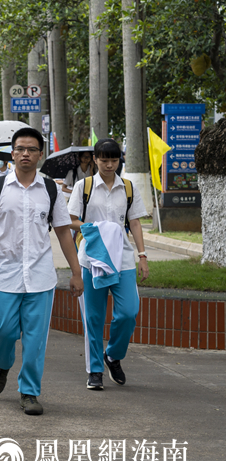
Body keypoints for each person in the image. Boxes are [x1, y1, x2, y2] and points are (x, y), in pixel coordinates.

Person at [0, 127, 83, 416]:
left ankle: (29, 391)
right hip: (4, 274)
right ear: (12, 152)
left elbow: (63, 232)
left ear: (40, 154)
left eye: (31, 149)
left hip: (40, 276)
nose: (25, 154)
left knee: (35, 339)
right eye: (20, 149)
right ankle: (3, 363)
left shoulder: (50, 189)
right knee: (3, 332)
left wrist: (76, 271)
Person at [67, 138, 148, 391]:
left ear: (119, 160)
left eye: (114, 159)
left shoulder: (129, 187)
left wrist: (142, 255)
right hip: (92, 259)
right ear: (95, 159)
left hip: (122, 259)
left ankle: (112, 355)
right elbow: (71, 219)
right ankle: (95, 371)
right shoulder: (85, 186)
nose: (109, 164)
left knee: (128, 312)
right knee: (93, 317)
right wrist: (96, 229)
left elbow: (134, 222)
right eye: (104, 159)